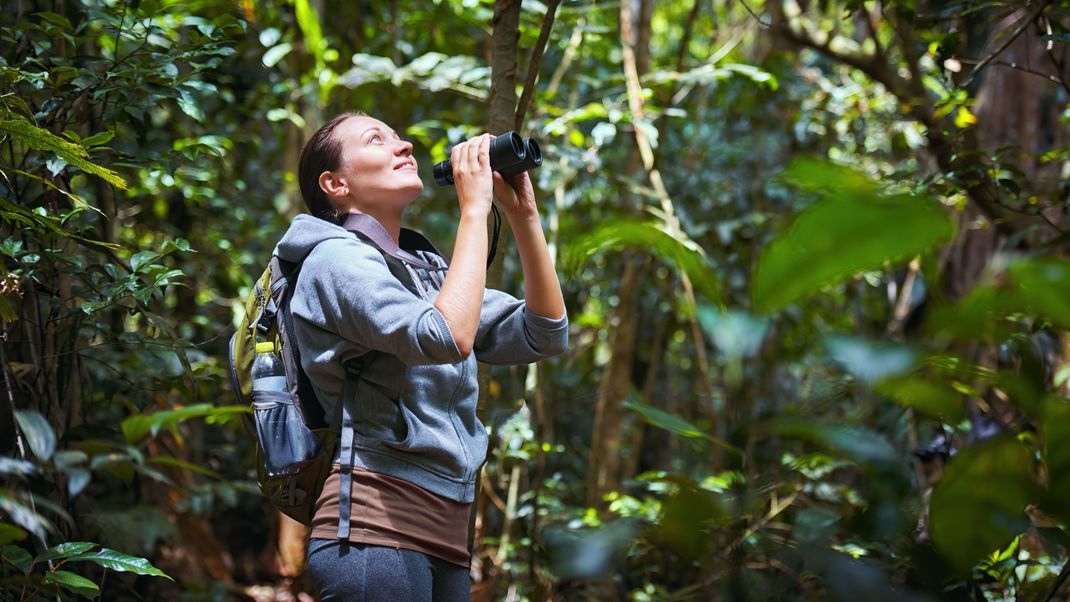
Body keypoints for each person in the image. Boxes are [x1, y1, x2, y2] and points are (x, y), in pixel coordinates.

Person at [274, 111, 568, 601]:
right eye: (376, 139)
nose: (404, 144)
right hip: (373, 530)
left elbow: (544, 333)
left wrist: (523, 214)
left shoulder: (424, 272)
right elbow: (445, 336)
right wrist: (473, 211)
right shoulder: (332, 261)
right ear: (335, 183)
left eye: (398, 135)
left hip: (448, 534)